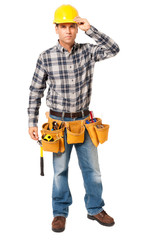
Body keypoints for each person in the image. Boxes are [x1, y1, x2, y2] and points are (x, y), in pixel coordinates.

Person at [28, 4, 120, 232]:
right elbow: (35, 90)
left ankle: (95, 208)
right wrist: (32, 121)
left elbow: (114, 49)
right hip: (58, 125)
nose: (68, 30)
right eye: (63, 26)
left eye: (72, 26)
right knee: (60, 171)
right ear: (56, 29)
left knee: (93, 170)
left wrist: (91, 29)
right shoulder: (46, 57)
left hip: (84, 122)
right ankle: (60, 212)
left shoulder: (88, 51)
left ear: (77, 28)